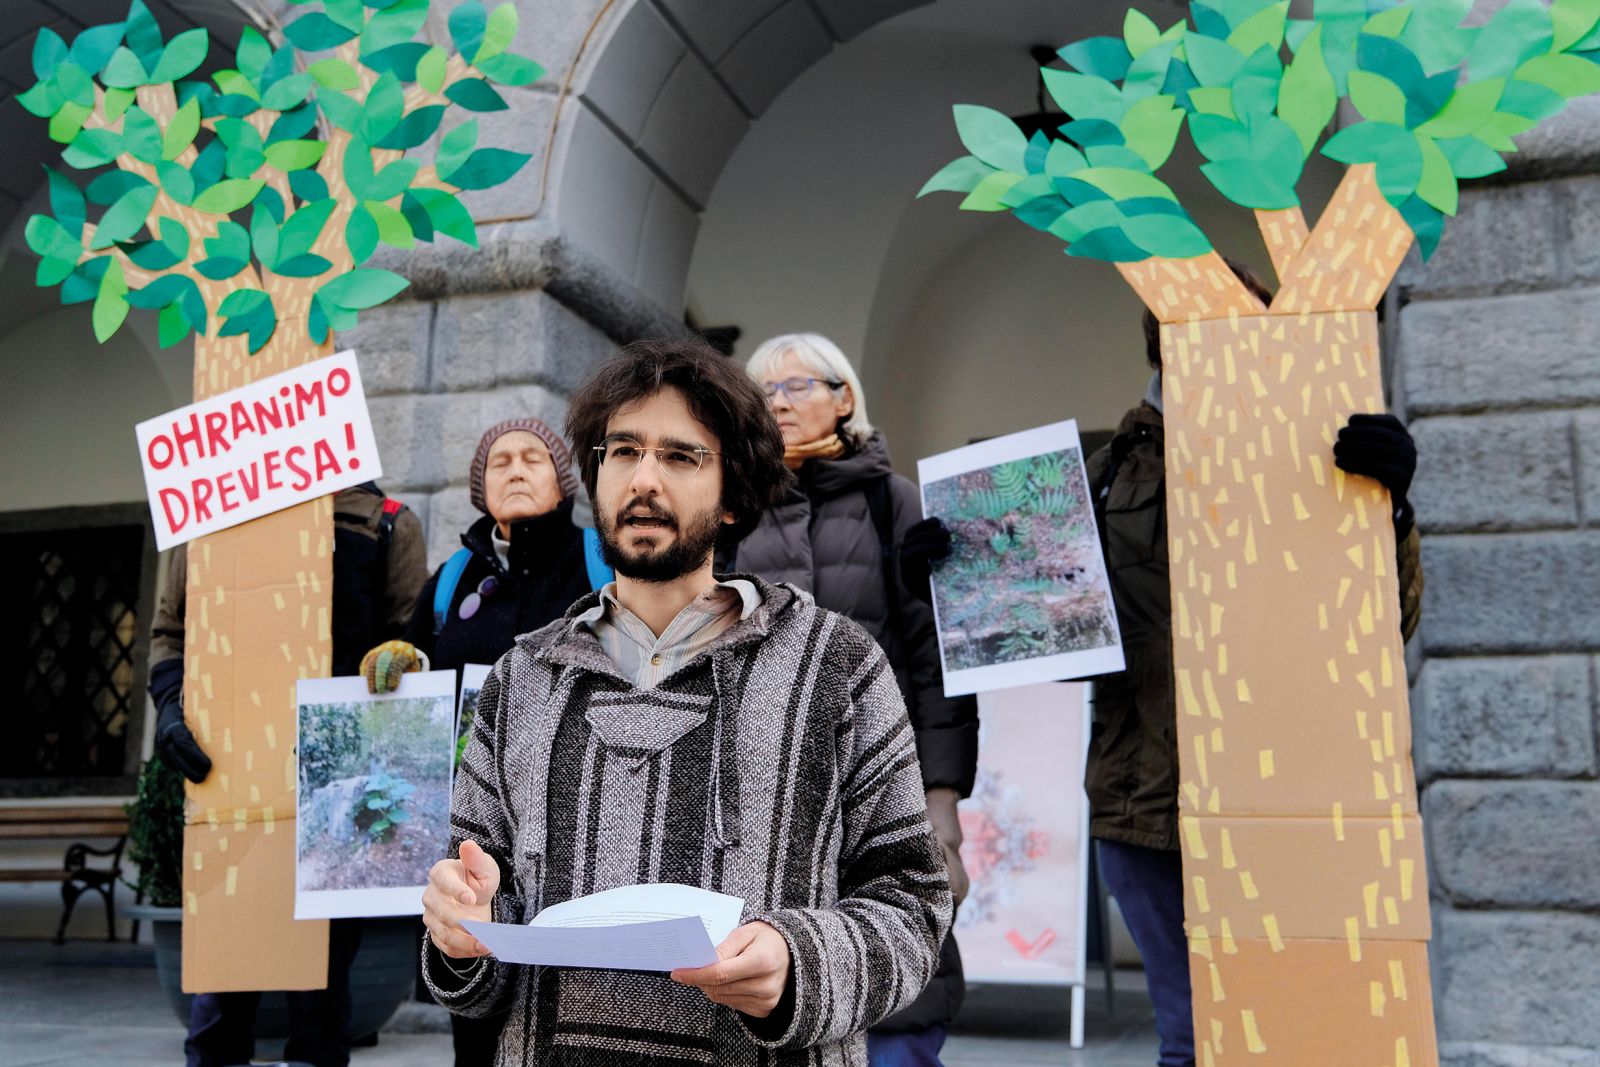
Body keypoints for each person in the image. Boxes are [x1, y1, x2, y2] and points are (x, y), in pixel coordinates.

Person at [902, 259, 1424, 1067]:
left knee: (1307, 1032)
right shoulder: (1106, 473)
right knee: (1192, 1036)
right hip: (1146, 805)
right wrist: (952, 576)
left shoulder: (1322, 445)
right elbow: (1058, 643)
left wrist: (1390, 508)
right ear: (1164, 345)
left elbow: (1385, 625)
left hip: (1295, 800)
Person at [419, 338, 953, 1066]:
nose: (644, 479)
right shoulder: (521, 679)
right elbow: (477, 942)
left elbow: (913, 902)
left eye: (681, 456)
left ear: (735, 497)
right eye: (623, 451)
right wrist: (462, 926)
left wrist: (798, 963)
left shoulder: (840, 667)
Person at [732, 332, 978, 1067]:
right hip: (763, 789)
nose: (779, 402)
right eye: (765, 391)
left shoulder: (890, 499)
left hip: (881, 780)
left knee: (900, 985)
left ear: (844, 398)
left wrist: (942, 800)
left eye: (798, 385)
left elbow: (934, 662)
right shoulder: (732, 506)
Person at [148, 481, 428, 1067]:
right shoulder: (211, 509)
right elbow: (171, 630)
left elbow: (410, 632)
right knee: (219, 993)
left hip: (331, 778)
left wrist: (401, 660)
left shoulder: (384, 520)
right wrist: (171, 705)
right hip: (229, 777)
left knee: (321, 995)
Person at [364, 417, 609, 1067]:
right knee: (475, 992)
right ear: (482, 488)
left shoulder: (599, 558)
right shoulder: (454, 576)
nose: (516, 468)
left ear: (562, 483)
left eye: (533, 458)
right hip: (478, 827)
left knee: (569, 997)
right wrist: (400, 659)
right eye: (500, 461)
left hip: (575, 816)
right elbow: (417, 657)